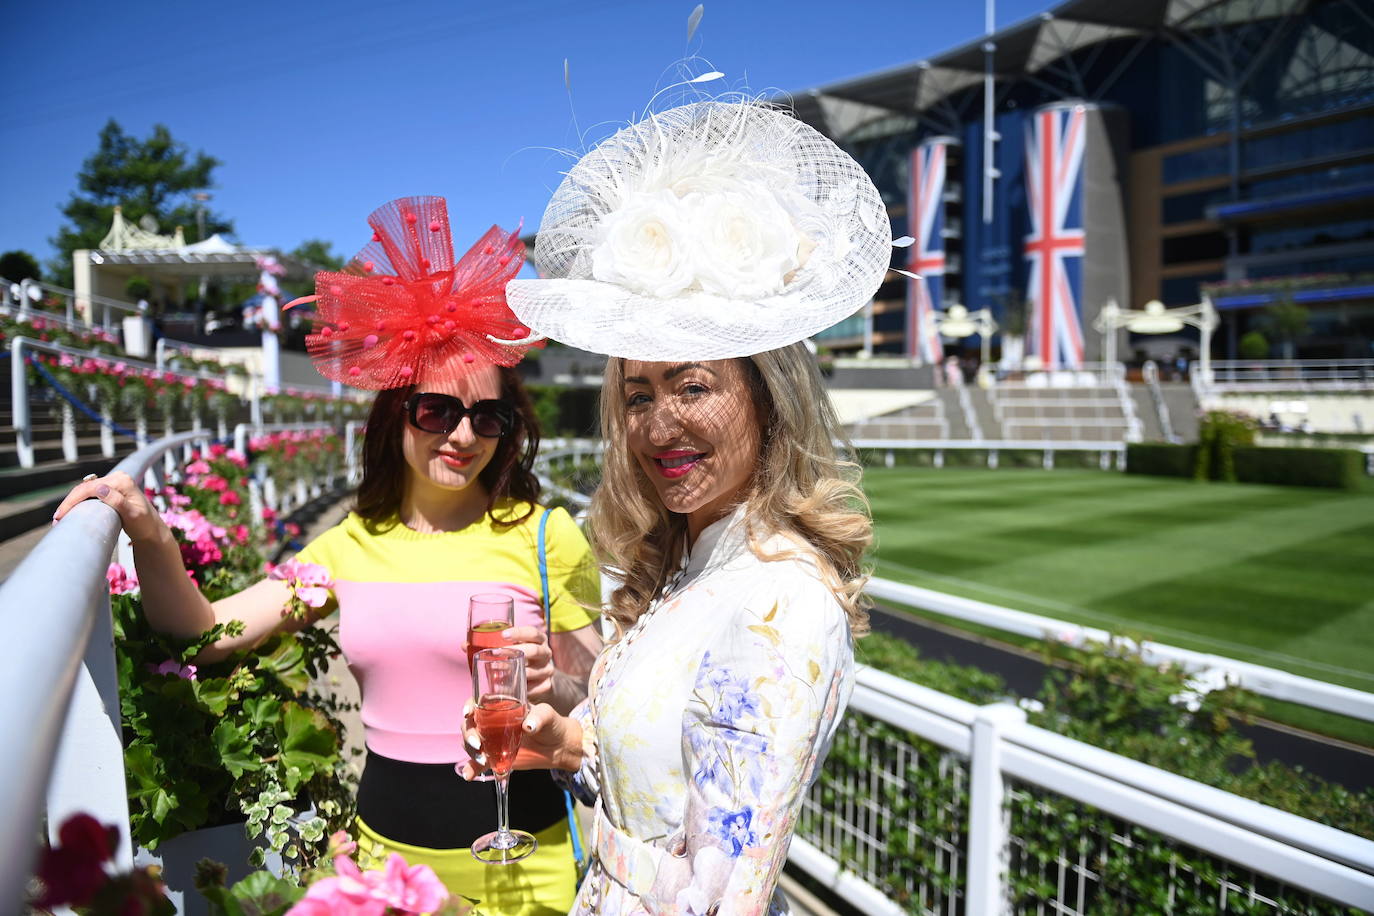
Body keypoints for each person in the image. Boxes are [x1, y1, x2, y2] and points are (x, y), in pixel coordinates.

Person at [53, 197, 601, 916]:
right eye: (436, 411)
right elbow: (205, 633)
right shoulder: (349, 545)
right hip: (387, 867)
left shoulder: (545, 534)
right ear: (395, 418)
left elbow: (597, 698)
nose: (462, 436)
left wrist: (555, 680)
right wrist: (150, 534)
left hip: (527, 866)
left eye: (487, 418)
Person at [462, 98, 895, 914]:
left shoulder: (779, 600)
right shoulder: (697, 559)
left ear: (769, 399)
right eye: (638, 394)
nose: (660, 426)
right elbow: (659, 785)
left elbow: (722, 894)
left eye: (693, 385)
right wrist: (564, 741)